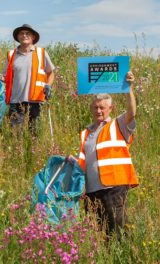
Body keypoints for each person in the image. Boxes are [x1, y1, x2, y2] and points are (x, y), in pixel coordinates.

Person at [77, 71, 138, 240]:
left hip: (114, 186)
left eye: (102, 107)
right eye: (95, 107)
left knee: (119, 231)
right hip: (91, 191)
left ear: (111, 108)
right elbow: (81, 162)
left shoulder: (118, 125)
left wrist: (128, 88)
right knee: (99, 234)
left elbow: (132, 112)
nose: (98, 110)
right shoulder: (85, 133)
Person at [2, 24, 55, 131]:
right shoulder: (11, 55)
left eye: (27, 33)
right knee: (16, 135)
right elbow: (5, 77)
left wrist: (48, 85)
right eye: (22, 33)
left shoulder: (41, 53)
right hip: (15, 101)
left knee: (34, 132)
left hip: (35, 100)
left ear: (33, 37)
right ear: (18, 37)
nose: (24, 35)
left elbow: (50, 73)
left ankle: (34, 148)